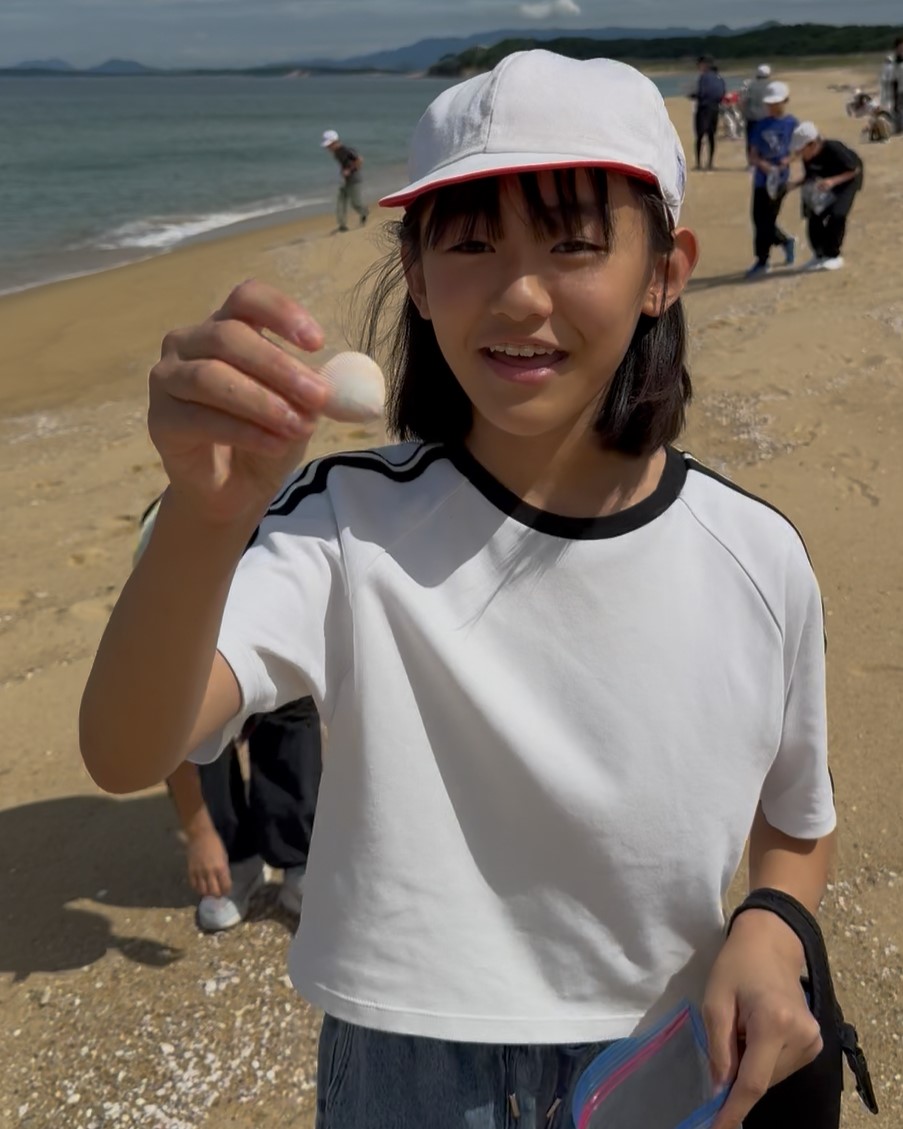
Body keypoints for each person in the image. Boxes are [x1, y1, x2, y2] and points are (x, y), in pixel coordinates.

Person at [81, 51, 836, 1129]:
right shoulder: (346, 523)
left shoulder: (755, 556)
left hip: (659, 1054)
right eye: (472, 244)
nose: (519, 293)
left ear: (664, 271)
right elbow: (127, 746)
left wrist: (767, 925)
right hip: (405, 1074)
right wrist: (204, 521)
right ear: (419, 276)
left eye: (573, 243)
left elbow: (797, 821)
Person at [135, 501, 323, 931]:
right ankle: (238, 859)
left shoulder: (297, 558)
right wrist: (200, 833)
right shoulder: (166, 600)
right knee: (201, 732)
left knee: (291, 711)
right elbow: (166, 735)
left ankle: (298, 853)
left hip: (267, 587)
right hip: (188, 618)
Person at [788, 122, 863, 272]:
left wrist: (832, 181)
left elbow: (854, 170)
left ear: (812, 144)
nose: (799, 154)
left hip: (847, 180)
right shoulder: (807, 157)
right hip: (824, 182)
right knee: (813, 215)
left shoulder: (834, 148)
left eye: (801, 149)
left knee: (837, 214)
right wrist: (794, 184)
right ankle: (819, 254)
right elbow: (810, 175)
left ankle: (833, 255)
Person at [746, 80, 798, 278]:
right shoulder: (760, 125)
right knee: (758, 219)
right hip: (762, 180)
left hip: (780, 181)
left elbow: (798, 150)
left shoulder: (792, 124)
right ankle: (784, 242)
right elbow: (753, 154)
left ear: (785, 101)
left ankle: (763, 260)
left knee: (767, 220)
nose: (772, 107)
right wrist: (762, 165)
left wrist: (788, 160)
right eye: (769, 103)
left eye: (776, 103)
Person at [321, 129, 368, 232]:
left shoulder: (346, 151)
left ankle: (364, 212)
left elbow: (359, 160)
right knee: (341, 202)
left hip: (354, 180)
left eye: (329, 145)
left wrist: (350, 171)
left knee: (355, 203)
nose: (328, 148)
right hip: (345, 181)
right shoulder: (336, 153)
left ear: (335, 142)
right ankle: (342, 226)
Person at [691, 54, 726, 169]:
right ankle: (710, 162)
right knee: (711, 135)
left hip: (703, 108)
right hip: (715, 108)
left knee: (700, 136)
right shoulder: (719, 78)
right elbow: (722, 93)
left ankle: (699, 163)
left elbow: (701, 93)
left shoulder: (704, 77)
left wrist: (694, 95)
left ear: (704, 64)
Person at [742, 63, 773, 147]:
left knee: (751, 144)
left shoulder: (750, 85)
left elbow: (744, 101)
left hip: (752, 119)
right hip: (766, 119)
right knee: (765, 144)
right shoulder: (771, 86)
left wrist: (744, 114)